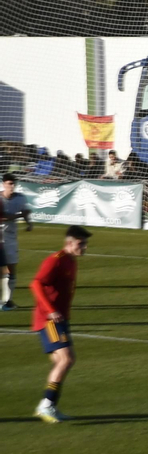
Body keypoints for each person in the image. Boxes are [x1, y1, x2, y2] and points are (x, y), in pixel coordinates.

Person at [30, 225, 91, 422]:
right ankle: (46, 406)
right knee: (66, 359)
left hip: (60, 319)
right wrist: (51, 310)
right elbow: (36, 283)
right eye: (81, 244)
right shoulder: (55, 261)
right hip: (49, 319)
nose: (85, 248)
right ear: (69, 243)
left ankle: (50, 405)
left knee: (63, 361)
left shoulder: (71, 261)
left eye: (85, 244)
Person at [1, 173, 33, 311]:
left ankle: (7, 301)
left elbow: (25, 210)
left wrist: (29, 223)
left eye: (13, 183)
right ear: (3, 184)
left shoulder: (20, 198)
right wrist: (20, 215)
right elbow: (3, 217)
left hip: (10, 237)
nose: (12, 186)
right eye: (9, 183)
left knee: (11, 269)